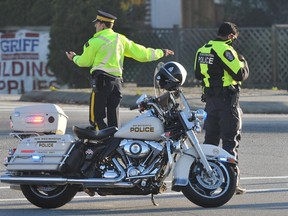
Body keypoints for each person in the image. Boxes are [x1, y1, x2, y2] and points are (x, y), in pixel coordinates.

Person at [66, 10, 174, 130]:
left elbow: (84, 62)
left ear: (102, 25)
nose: (95, 26)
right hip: (117, 82)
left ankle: (100, 142)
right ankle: (114, 142)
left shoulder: (94, 42)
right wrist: (162, 52)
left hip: (101, 81)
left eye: (96, 23)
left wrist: (74, 57)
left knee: (97, 116)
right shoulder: (121, 40)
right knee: (114, 117)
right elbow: (143, 54)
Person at [194, 22, 249, 195]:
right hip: (227, 102)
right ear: (231, 36)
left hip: (210, 102)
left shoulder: (202, 49)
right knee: (230, 142)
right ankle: (231, 184)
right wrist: (243, 63)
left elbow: (197, 74)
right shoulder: (225, 50)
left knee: (210, 142)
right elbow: (239, 74)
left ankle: (204, 182)